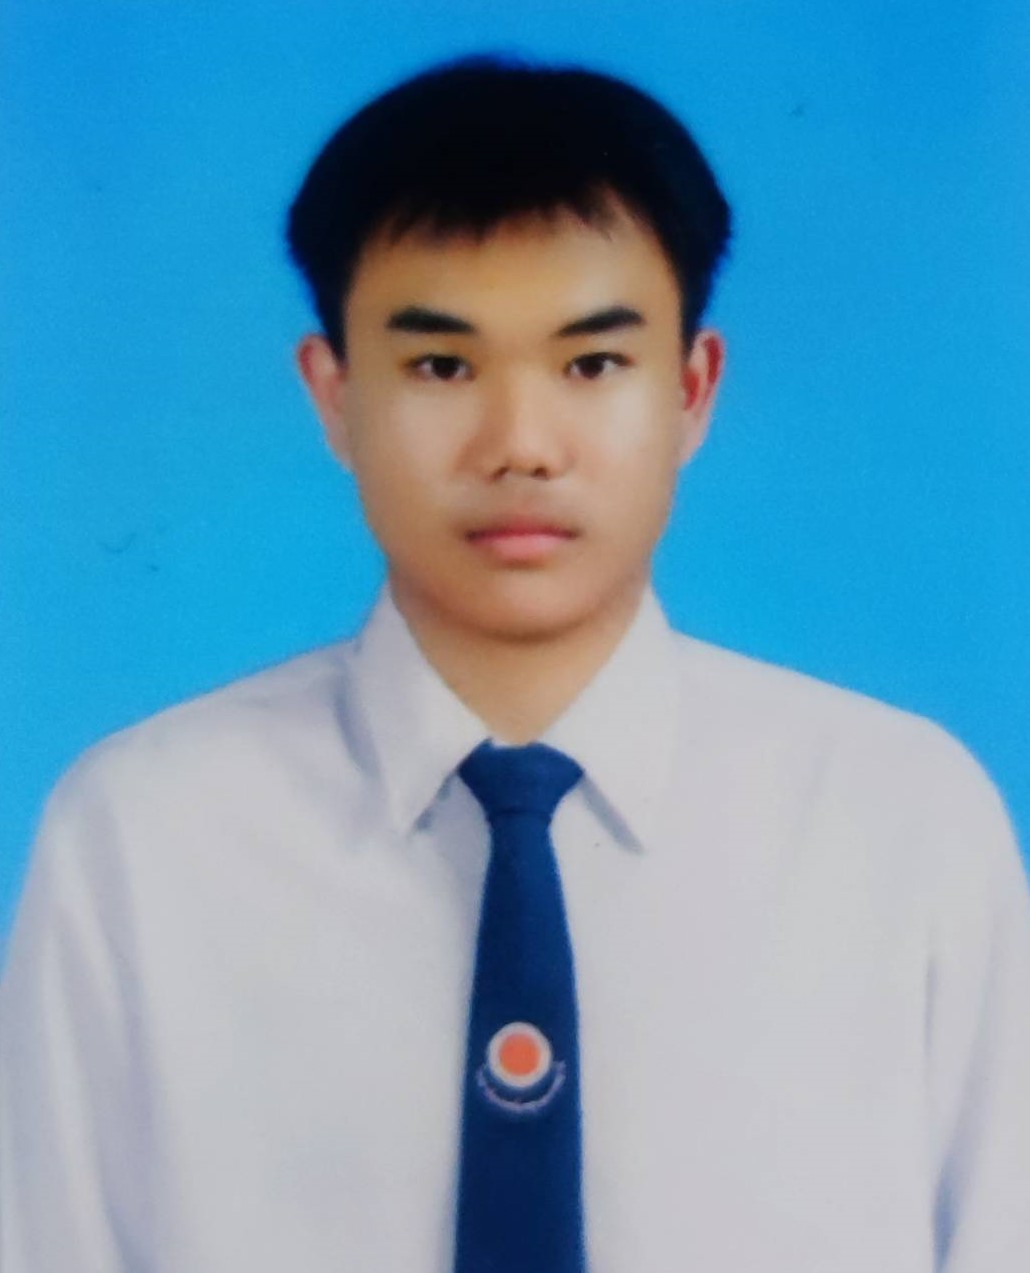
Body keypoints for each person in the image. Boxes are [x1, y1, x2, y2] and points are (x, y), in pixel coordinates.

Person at [1, 53, 1028, 1273]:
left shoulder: (901, 823)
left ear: (693, 389)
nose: (521, 445)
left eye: (592, 364)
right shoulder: (140, 837)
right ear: (332, 394)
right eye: (442, 366)